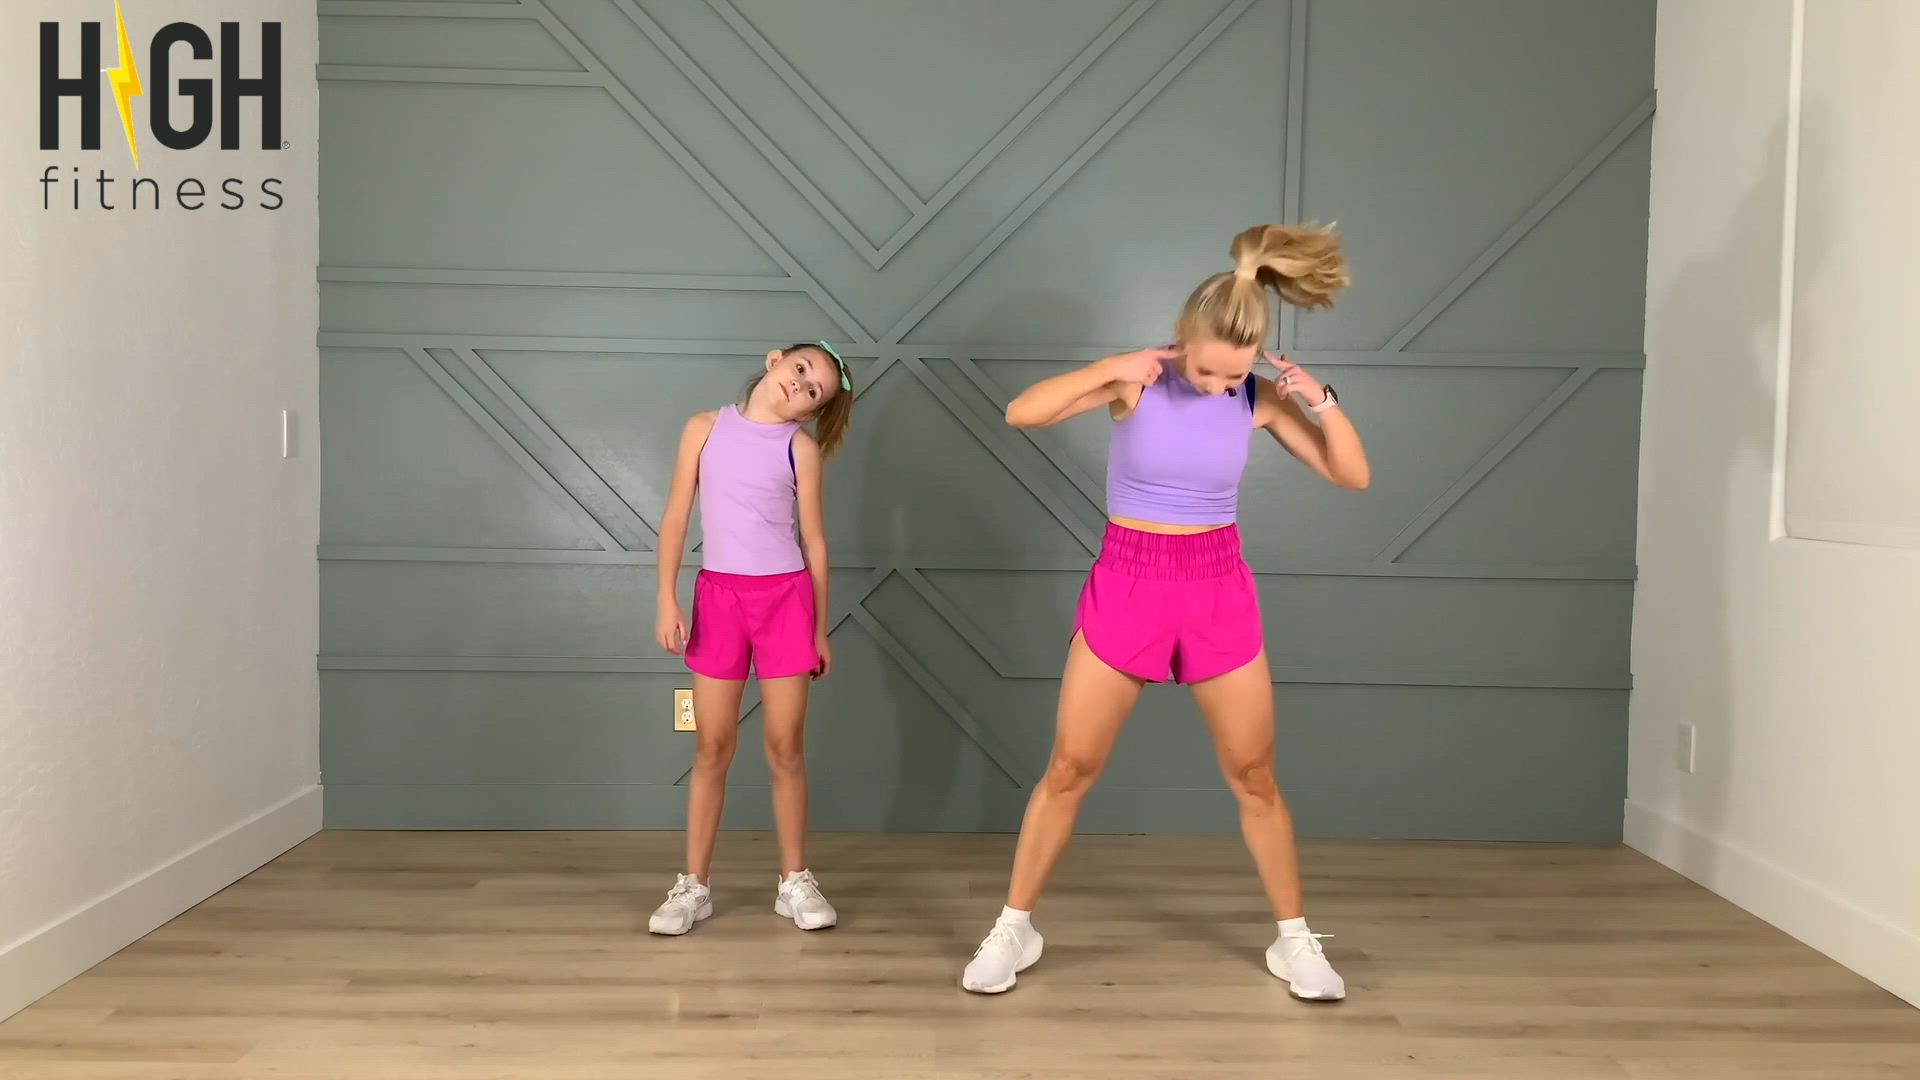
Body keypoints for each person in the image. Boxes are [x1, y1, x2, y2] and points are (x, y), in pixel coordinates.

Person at [961, 225, 1370, 1000]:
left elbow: (1350, 474)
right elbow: (1022, 412)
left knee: (1254, 776)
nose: (1219, 386)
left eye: (1235, 373)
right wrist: (1110, 367)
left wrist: (1320, 400)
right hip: (1130, 580)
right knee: (1070, 769)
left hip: (1216, 586)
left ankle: (1294, 941)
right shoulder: (1139, 382)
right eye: (1209, 370)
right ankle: (1015, 928)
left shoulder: (1256, 396)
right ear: (1184, 338)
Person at [648, 341, 855, 935]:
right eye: (800, 370)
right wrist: (666, 597)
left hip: (785, 602)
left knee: (786, 747)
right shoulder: (704, 428)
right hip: (719, 600)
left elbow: (815, 541)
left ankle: (794, 880)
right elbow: (676, 516)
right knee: (712, 746)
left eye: (814, 391)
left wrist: (818, 627)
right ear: (775, 360)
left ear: (812, 411)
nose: (801, 385)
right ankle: (694, 885)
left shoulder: (800, 449)